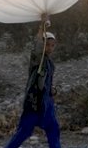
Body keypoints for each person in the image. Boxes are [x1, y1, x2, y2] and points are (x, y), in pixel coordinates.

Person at [4, 20, 60, 148]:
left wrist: (52, 90)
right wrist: (42, 28)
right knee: (24, 131)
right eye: (47, 45)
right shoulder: (37, 59)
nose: (50, 48)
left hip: (46, 103)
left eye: (52, 45)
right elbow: (37, 46)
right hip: (34, 102)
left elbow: (46, 82)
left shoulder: (49, 62)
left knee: (53, 129)